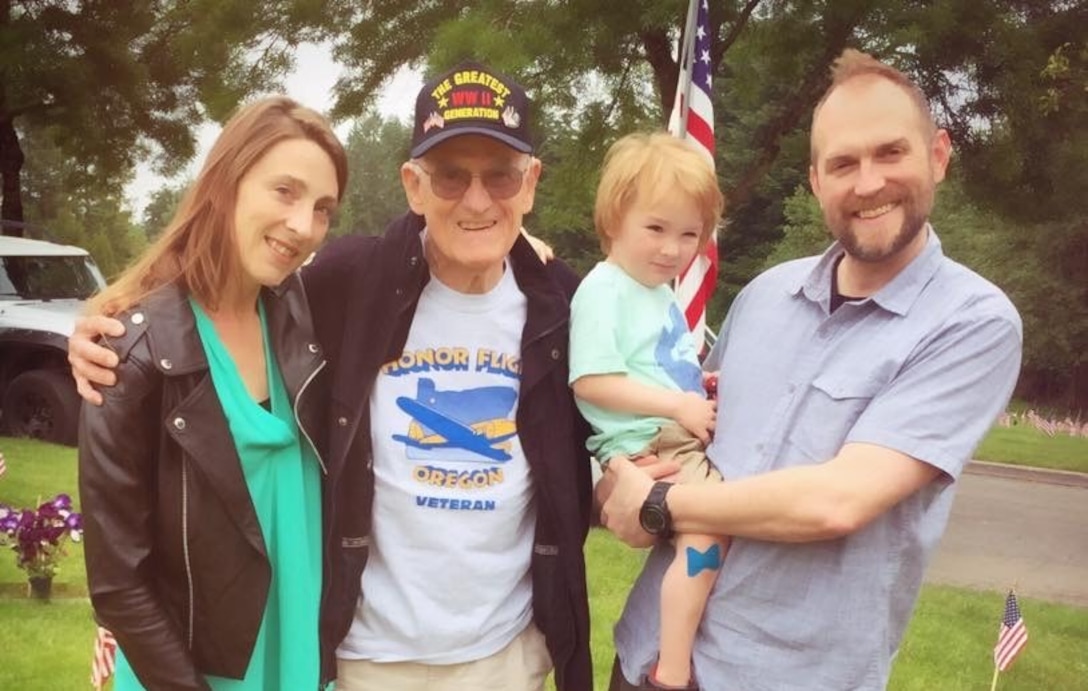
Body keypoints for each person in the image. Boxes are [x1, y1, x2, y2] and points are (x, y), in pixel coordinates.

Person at [70, 60, 594, 691]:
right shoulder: (345, 286)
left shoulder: (563, 306)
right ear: (413, 185)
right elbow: (197, 295)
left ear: (530, 182)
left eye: (501, 176)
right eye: (451, 176)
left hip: (498, 654)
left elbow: (614, 425)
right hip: (358, 656)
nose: (477, 198)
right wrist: (110, 329)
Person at [598, 48, 1023, 691]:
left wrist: (659, 504)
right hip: (646, 661)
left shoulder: (972, 323)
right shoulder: (766, 294)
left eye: (890, 153)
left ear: (938, 155)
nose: (868, 182)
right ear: (817, 181)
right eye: (843, 163)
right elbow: (680, 422)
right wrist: (617, 485)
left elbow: (836, 502)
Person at [78, 96, 347, 689]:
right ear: (225, 183)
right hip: (184, 675)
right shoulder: (131, 352)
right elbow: (119, 582)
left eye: (323, 208)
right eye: (285, 191)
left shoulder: (307, 322)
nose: (304, 226)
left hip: (300, 658)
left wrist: (520, 252)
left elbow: (424, 258)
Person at [569, 132, 725, 690]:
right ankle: (672, 669)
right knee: (710, 531)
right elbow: (590, 379)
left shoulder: (656, 292)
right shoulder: (605, 288)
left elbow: (655, 364)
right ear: (614, 219)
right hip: (649, 440)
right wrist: (678, 404)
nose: (671, 248)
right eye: (655, 228)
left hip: (668, 427)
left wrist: (698, 383)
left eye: (689, 234)